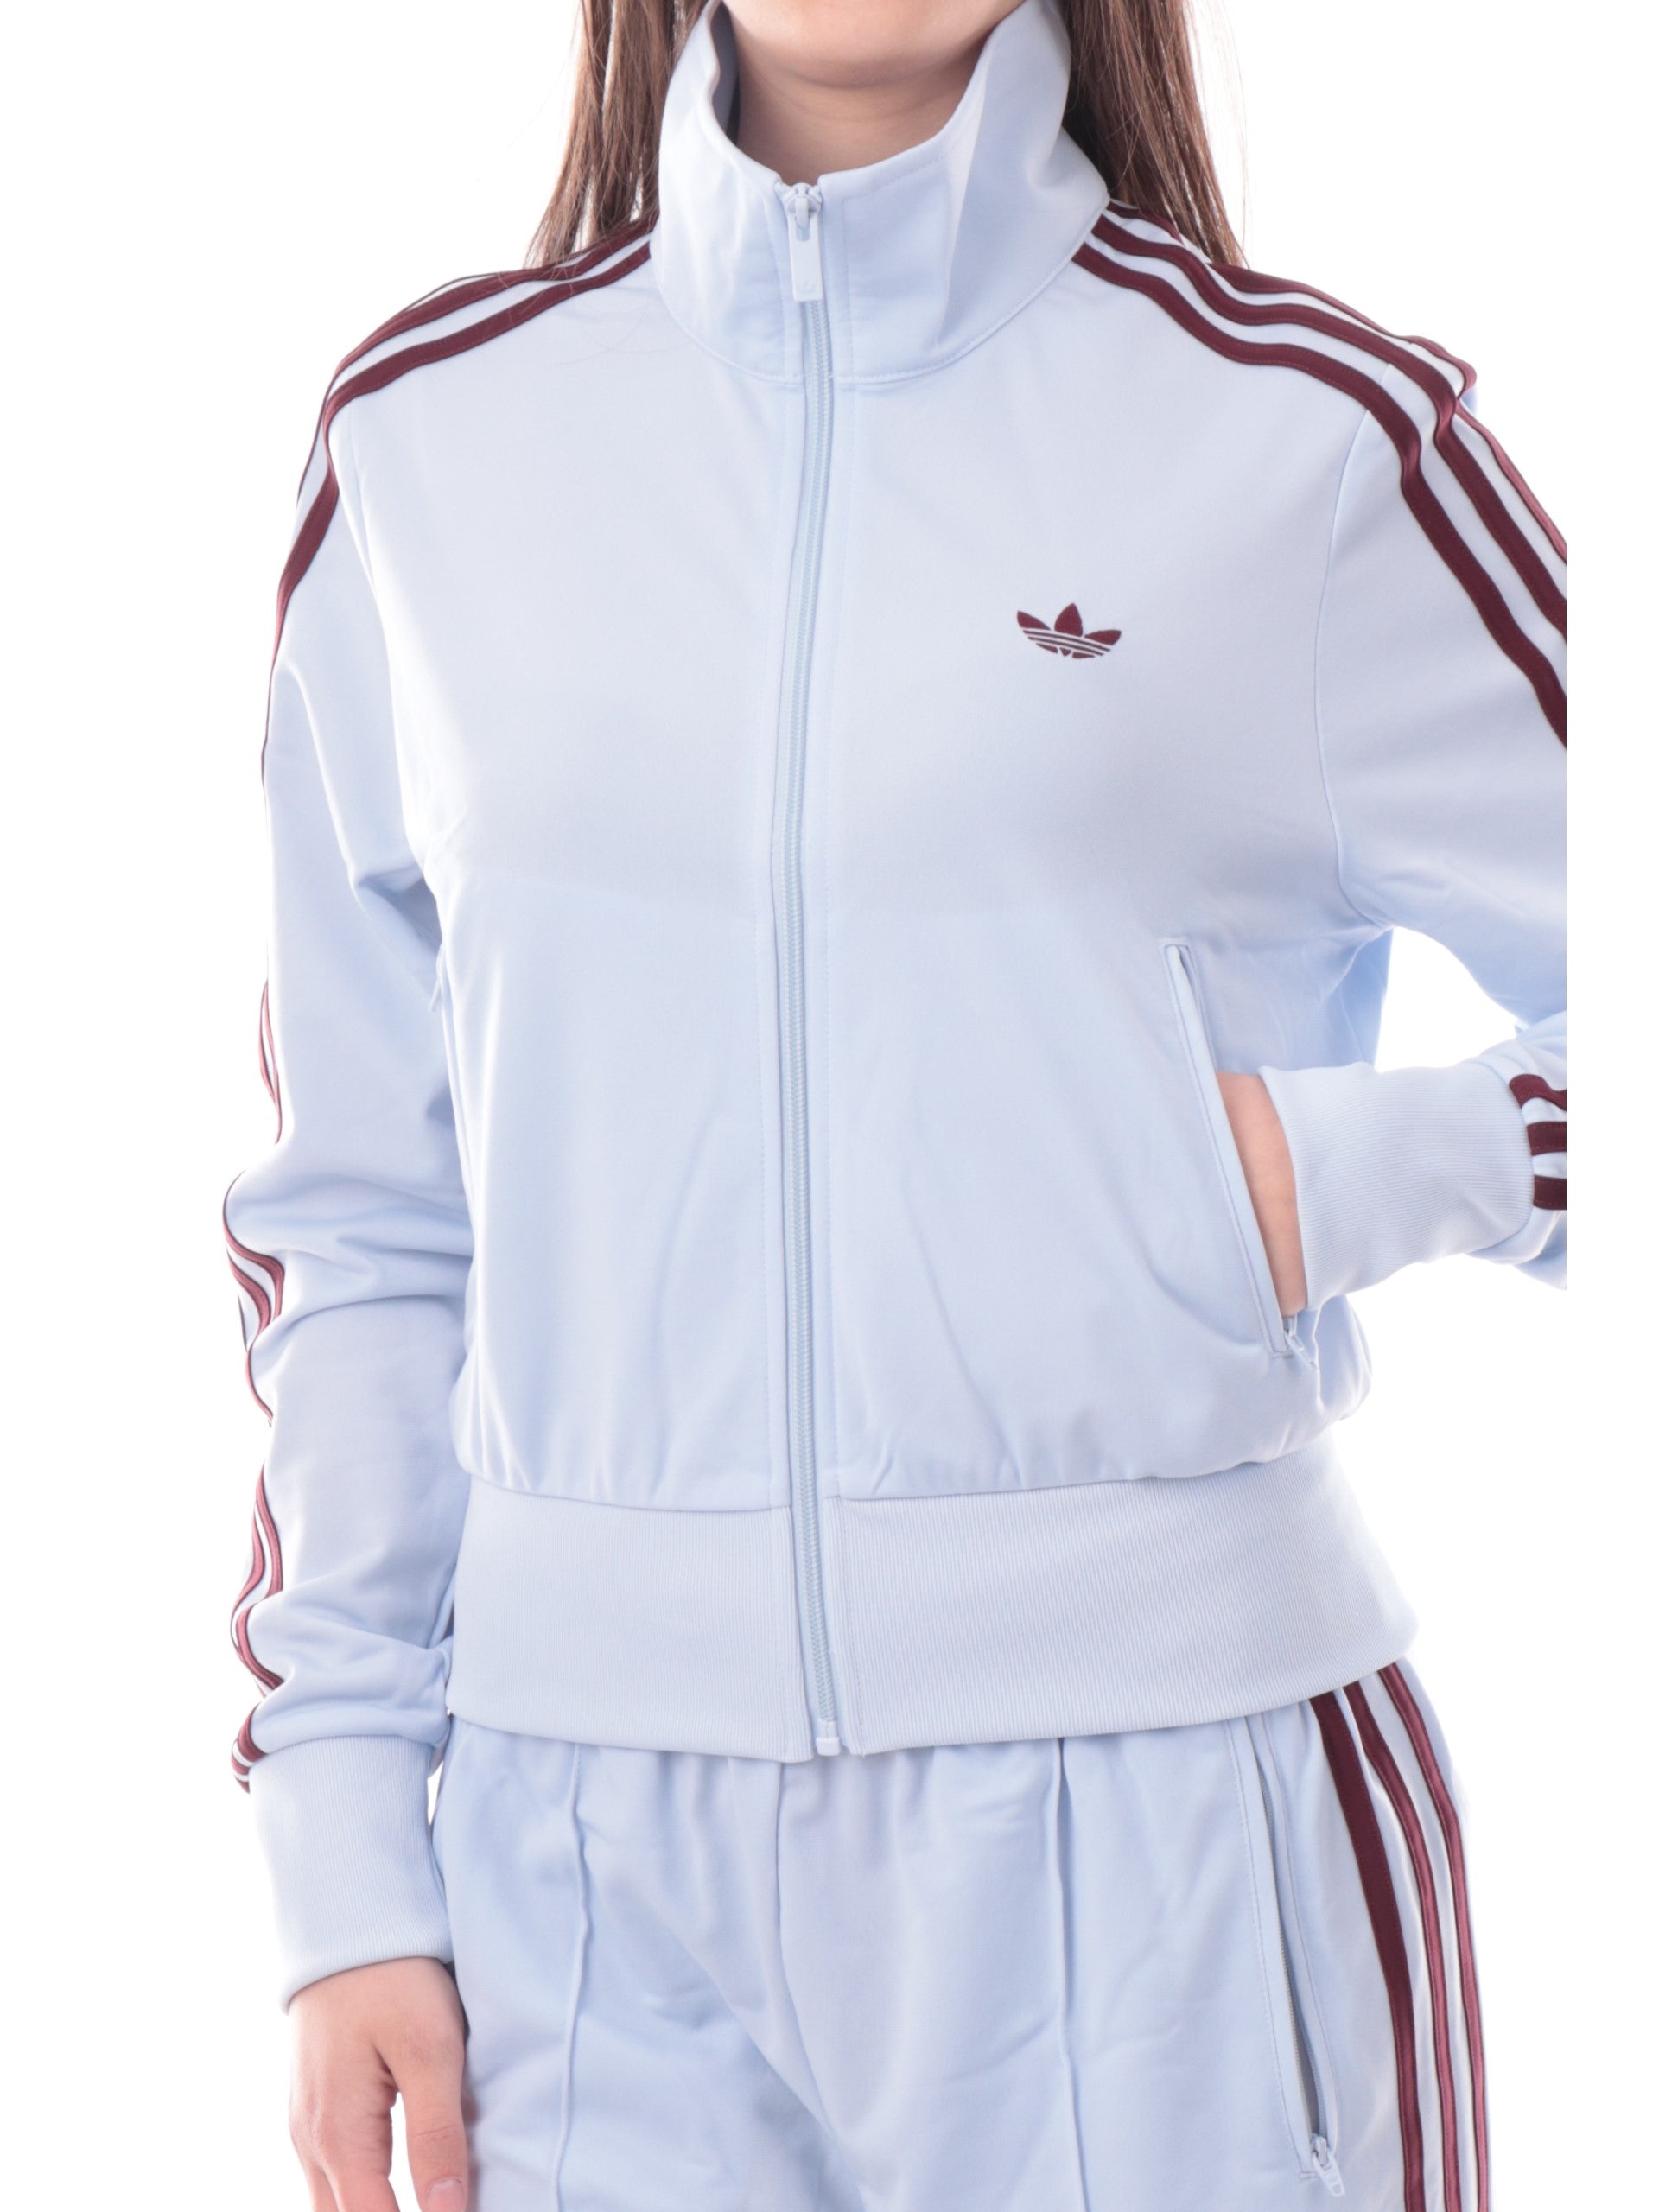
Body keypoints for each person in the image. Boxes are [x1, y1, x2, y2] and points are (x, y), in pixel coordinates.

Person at [223, 0, 1565, 2204]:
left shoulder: (1312, 440)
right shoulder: (425, 444)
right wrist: (346, 1839)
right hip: (576, 1886)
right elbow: (367, 1214)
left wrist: (1328, 1174)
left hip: (1174, 1855)